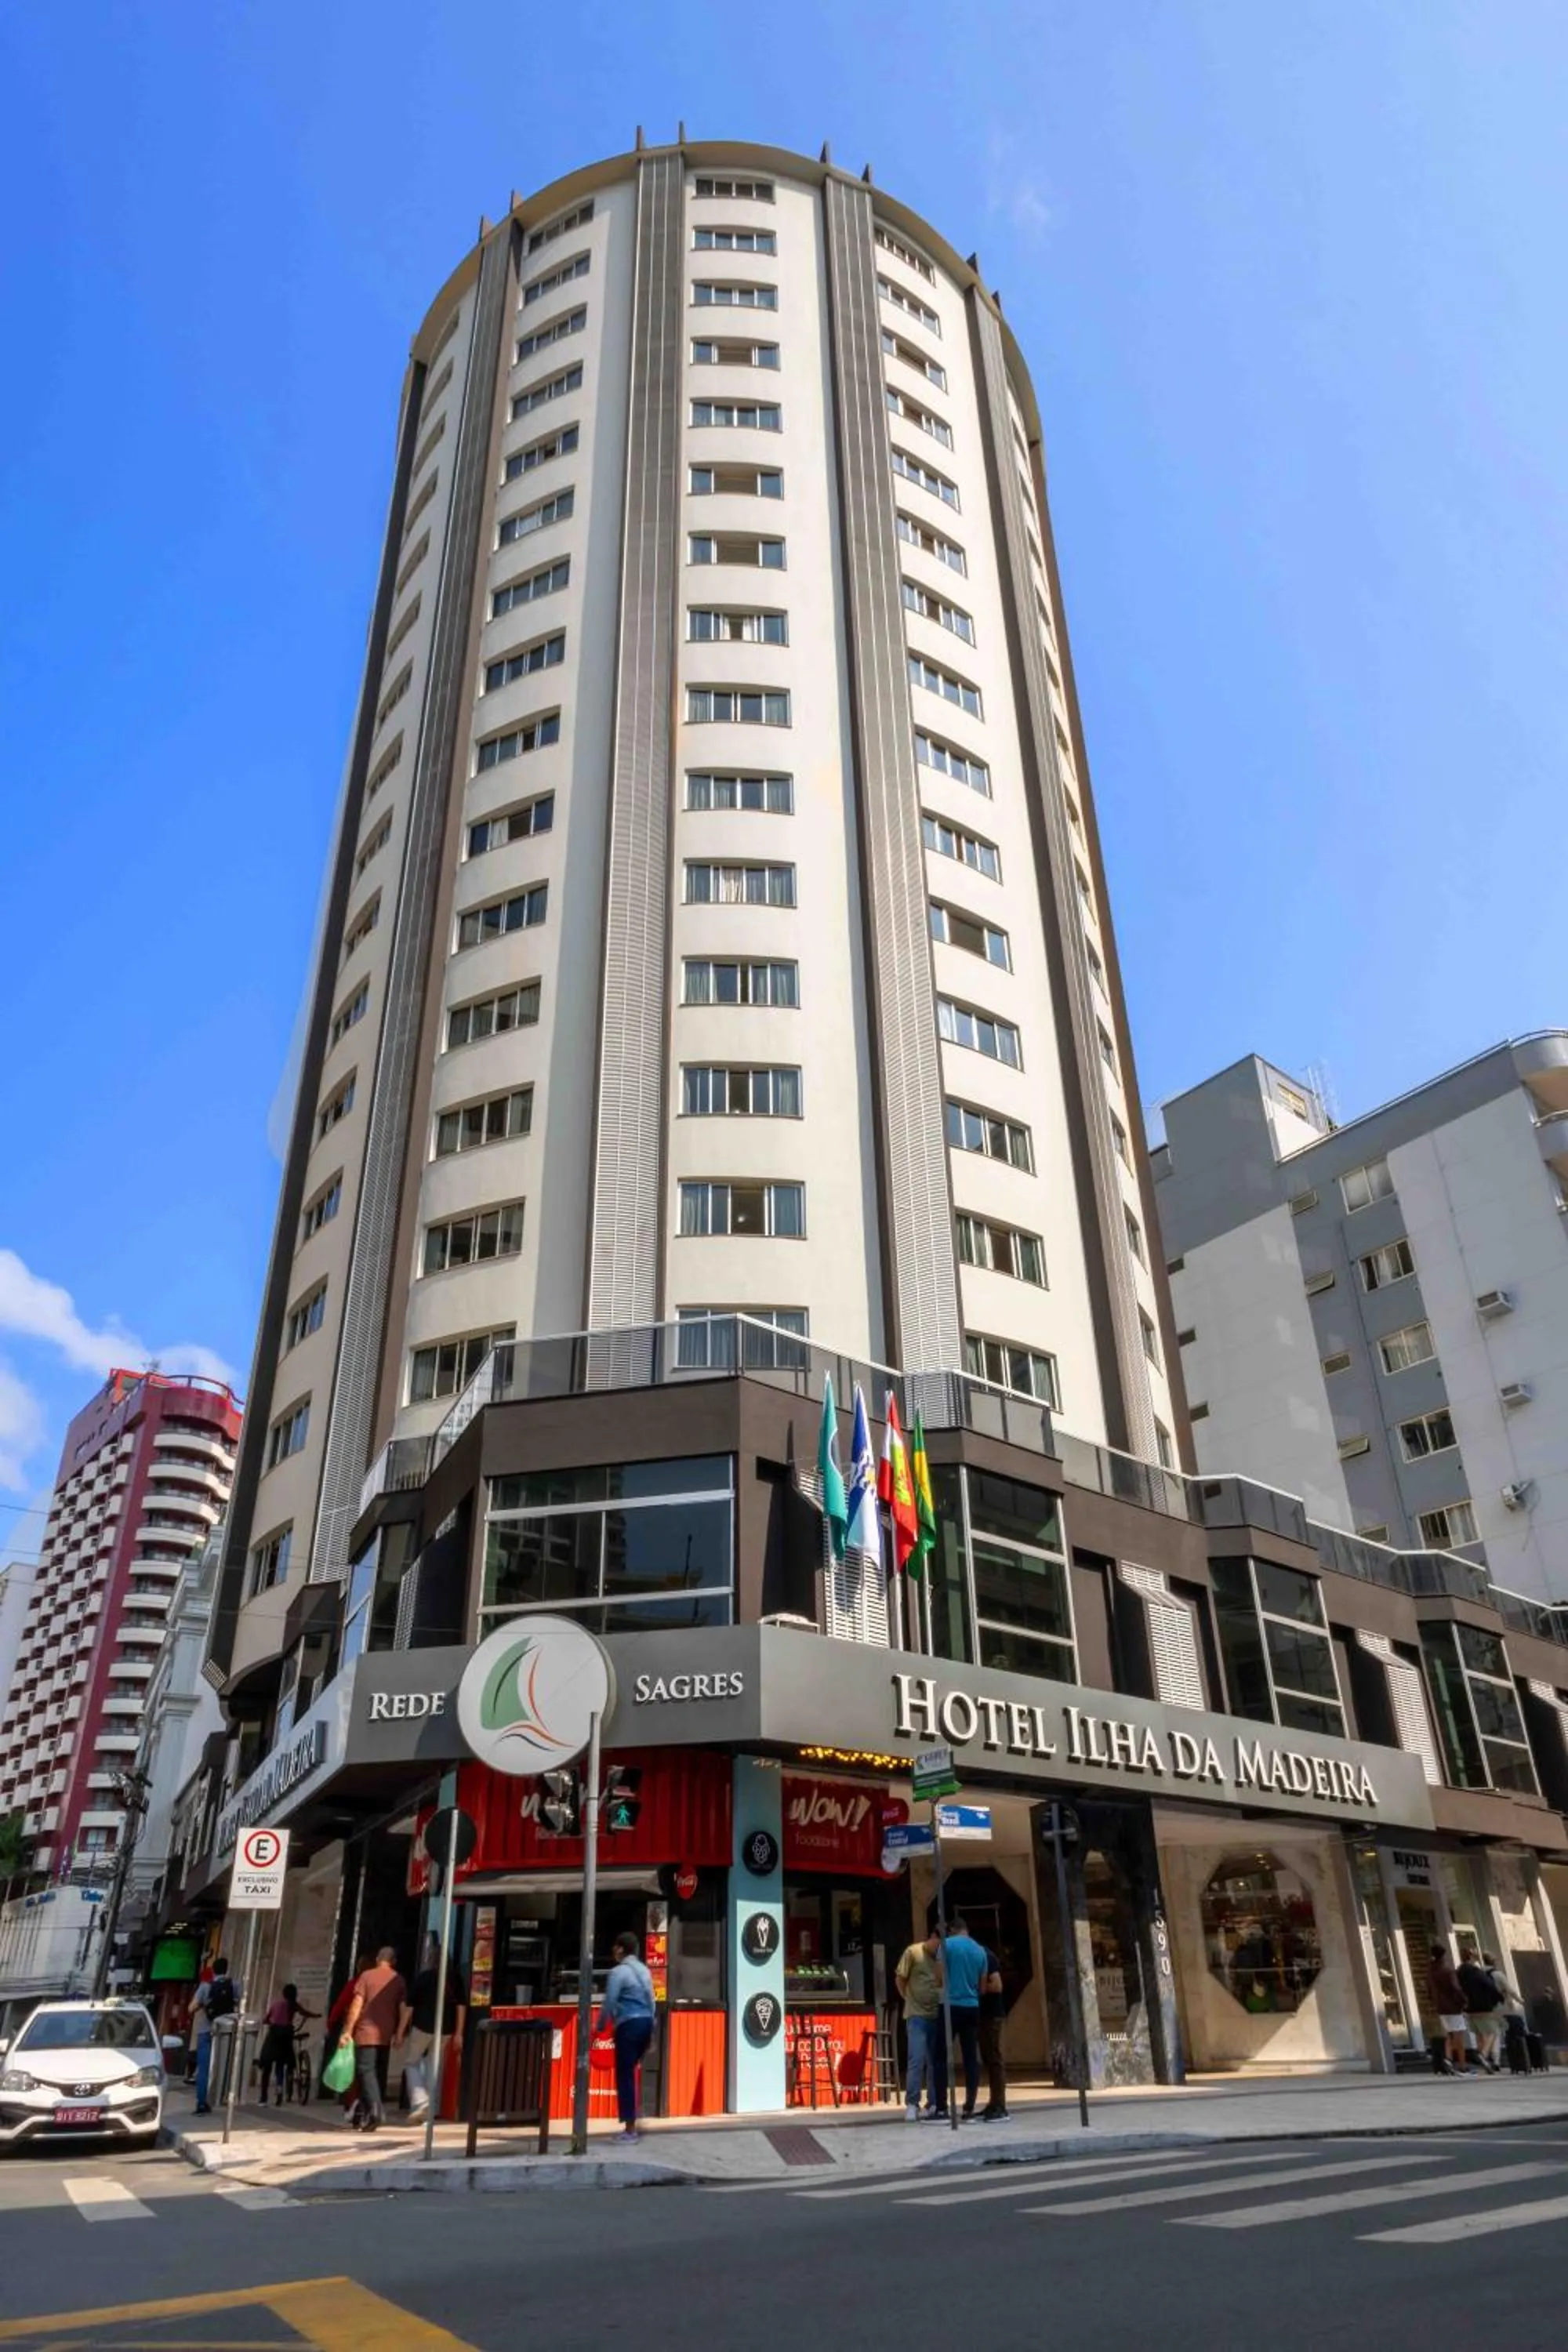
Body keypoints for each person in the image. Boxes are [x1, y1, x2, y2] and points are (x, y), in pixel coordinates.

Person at [338, 1946, 408, 2132]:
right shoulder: (398, 1980)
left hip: (366, 2032)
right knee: (375, 2073)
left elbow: (356, 2004)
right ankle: (368, 2114)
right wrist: (400, 2033)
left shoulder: (366, 1976)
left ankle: (376, 2111)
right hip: (385, 2034)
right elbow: (403, 2008)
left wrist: (347, 2031)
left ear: (378, 1959)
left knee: (365, 2071)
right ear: (393, 1962)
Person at [595, 1930, 656, 2141]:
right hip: (645, 2023)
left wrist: (600, 2026)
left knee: (625, 2076)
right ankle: (632, 2122)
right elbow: (652, 2001)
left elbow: (610, 2001)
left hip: (629, 2025)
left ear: (621, 1949)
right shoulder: (645, 1971)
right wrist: (652, 2030)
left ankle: (630, 2130)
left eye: (615, 1946)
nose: (613, 1950)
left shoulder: (618, 1972)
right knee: (631, 2073)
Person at [403, 1932, 467, 2122]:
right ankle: (431, 2109)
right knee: (434, 2066)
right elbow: (461, 2007)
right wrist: (459, 2033)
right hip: (446, 2030)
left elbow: (409, 2007)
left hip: (422, 2027)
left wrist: (400, 2031)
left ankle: (420, 2100)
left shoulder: (424, 1977)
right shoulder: (455, 1979)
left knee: (411, 2063)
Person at [895, 1927, 947, 2122]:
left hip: (936, 2014)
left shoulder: (942, 1958)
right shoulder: (913, 1952)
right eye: (938, 1944)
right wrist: (907, 1997)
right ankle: (912, 2103)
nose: (938, 1949)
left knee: (934, 2062)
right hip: (916, 2015)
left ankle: (933, 2103)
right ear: (932, 1938)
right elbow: (900, 1979)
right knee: (916, 2060)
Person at [942, 1915, 989, 2120]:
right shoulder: (980, 1950)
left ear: (952, 1929)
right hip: (972, 2007)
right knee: (971, 2057)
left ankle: (941, 2104)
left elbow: (937, 1977)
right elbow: (983, 1987)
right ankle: (969, 2105)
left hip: (950, 2007)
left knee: (942, 2055)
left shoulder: (946, 1945)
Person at [192, 1956, 239, 2114]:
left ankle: (202, 2103)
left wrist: (201, 2005)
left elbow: (190, 2009)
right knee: (225, 2066)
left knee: (204, 2069)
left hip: (207, 2031)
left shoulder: (205, 1987)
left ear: (213, 1970)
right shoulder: (234, 1985)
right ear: (227, 1969)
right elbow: (238, 2004)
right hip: (226, 2032)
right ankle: (223, 2097)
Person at [257, 1982, 317, 2105]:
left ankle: (263, 2097)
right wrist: (316, 2015)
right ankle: (280, 2090)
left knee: (267, 2066)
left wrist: (269, 2022)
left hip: (274, 2036)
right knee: (281, 2065)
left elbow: (267, 2019)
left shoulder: (276, 2004)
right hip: (287, 2036)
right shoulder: (293, 2005)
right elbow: (305, 2013)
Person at [1457, 1946, 1504, 2073]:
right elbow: (1490, 1985)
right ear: (1472, 1957)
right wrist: (1499, 1998)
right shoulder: (1476, 1972)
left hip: (1469, 2008)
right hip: (1483, 2006)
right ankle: (1483, 2055)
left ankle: (1483, 2059)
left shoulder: (1459, 1972)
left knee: (1479, 2033)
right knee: (1493, 2031)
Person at [1428, 1943, 1471, 2078]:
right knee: (1459, 2037)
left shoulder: (1431, 1972)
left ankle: (1448, 2059)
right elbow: (1455, 1988)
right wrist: (1464, 2001)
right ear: (1444, 1956)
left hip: (1441, 2008)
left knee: (1449, 2035)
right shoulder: (1448, 1971)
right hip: (1453, 2007)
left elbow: (1430, 1990)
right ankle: (1463, 2066)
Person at [978, 1942, 1008, 2121]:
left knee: (994, 2059)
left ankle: (999, 2104)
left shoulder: (986, 1956)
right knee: (989, 2058)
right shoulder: (983, 1955)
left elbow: (997, 1985)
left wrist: (977, 1989)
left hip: (992, 2015)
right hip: (985, 2015)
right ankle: (994, 2102)